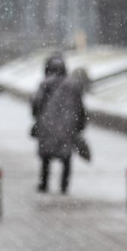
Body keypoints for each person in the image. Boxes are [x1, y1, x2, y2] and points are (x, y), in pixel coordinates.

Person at [31, 56, 88, 194]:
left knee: (46, 157)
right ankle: (64, 186)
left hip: (47, 126)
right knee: (66, 158)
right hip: (67, 127)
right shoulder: (73, 86)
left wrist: (39, 118)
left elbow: (36, 105)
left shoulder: (44, 85)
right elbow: (80, 109)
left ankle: (44, 184)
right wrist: (80, 126)